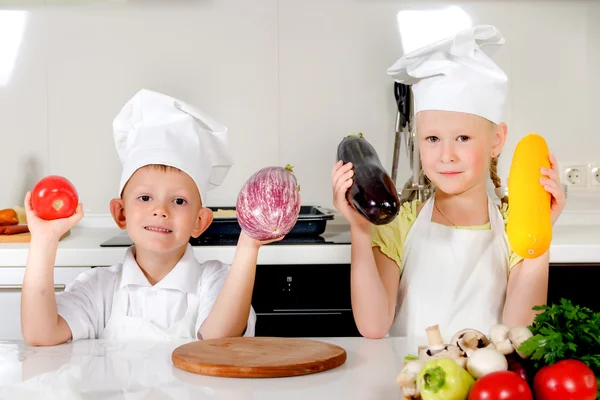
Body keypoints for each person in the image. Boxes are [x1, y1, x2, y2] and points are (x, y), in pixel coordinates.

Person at [331, 25, 566, 342]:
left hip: (486, 387)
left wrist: (541, 233)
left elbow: (519, 329)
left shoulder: (515, 227)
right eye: (432, 138)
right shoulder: (400, 224)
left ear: (497, 141)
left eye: (463, 138)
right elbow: (373, 326)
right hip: (414, 384)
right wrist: (360, 229)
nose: (446, 155)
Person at [21, 89, 273, 345]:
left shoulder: (213, 281)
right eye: (145, 198)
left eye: (178, 201)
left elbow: (220, 341)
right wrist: (44, 240)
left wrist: (249, 243)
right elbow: (41, 334)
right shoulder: (100, 288)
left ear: (200, 221)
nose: (160, 210)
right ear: (121, 213)